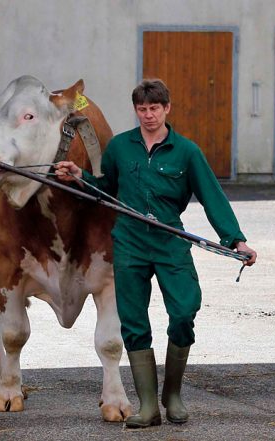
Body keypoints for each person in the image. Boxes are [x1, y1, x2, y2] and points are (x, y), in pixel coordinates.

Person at [55, 79, 257, 429]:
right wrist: (80, 176)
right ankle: (148, 406)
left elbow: (212, 196)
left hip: (168, 239)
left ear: (167, 109)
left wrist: (234, 239)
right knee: (133, 322)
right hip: (130, 242)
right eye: (142, 109)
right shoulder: (120, 148)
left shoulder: (186, 152)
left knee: (184, 311)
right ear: (136, 110)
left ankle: (172, 396)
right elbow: (107, 189)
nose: (148, 115)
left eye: (154, 108)